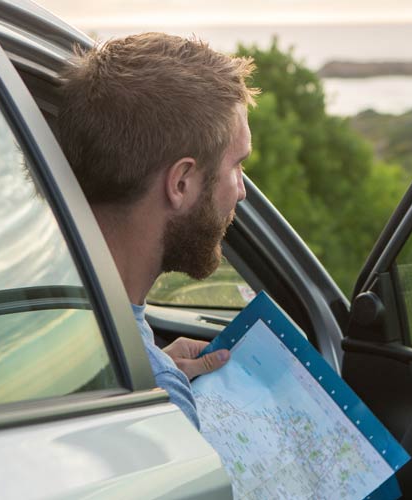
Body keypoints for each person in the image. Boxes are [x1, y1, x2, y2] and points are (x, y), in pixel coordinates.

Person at [50, 32, 259, 428]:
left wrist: (155, 357)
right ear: (180, 183)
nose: (243, 191)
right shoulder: (153, 398)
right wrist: (158, 375)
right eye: (236, 165)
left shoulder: (44, 304)